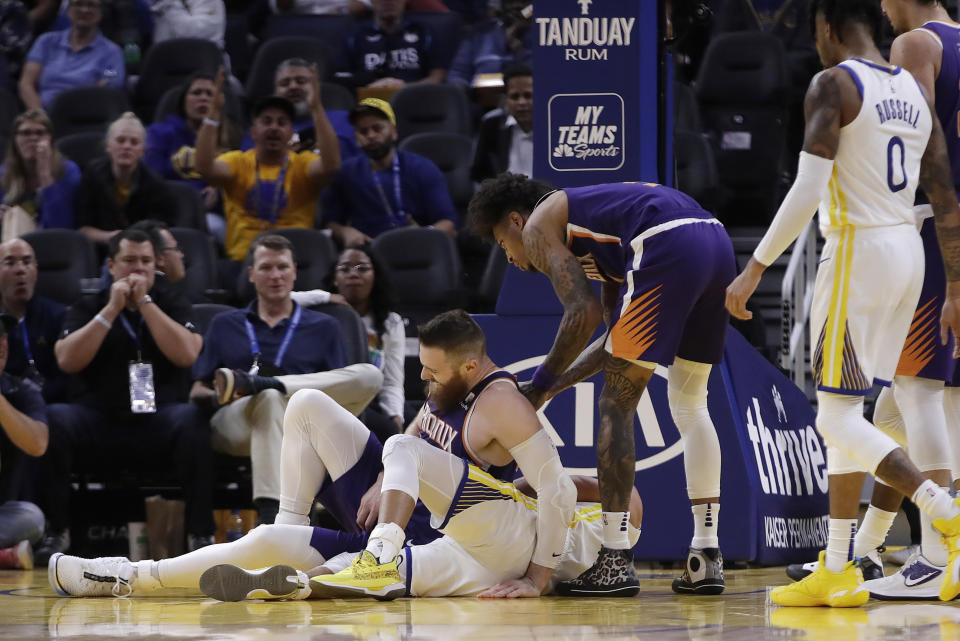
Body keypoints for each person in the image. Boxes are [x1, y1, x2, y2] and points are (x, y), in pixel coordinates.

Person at [45, 311, 638, 601]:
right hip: (410, 513)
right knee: (304, 405)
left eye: (432, 372)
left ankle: (324, 573)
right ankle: (124, 577)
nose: (424, 381)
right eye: (423, 371)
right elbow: (414, 437)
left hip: (465, 537)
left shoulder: (504, 402)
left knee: (401, 457)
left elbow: (578, 490)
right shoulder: (445, 392)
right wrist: (385, 478)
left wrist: (538, 576)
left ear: (468, 367)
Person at [725, 0, 960, 607]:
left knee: (834, 417)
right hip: (910, 250)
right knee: (853, 412)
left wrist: (754, 267)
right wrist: (953, 281)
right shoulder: (910, 87)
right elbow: (941, 185)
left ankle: (943, 513)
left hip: (857, 250)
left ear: (827, 28)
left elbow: (807, 188)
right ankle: (837, 564)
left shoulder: (834, 81)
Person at [468, 175, 736, 597]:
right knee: (689, 403)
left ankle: (614, 557)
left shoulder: (539, 226)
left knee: (616, 405)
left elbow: (582, 313)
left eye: (503, 244)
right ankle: (706, 555)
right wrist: (552, 388)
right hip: (715, 241)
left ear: (517, 221)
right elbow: (612, 343)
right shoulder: (604, 245)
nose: (511, 259)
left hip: (665, 241)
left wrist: (538, 387)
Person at [34, 228, 215, 563]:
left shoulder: (172, 300)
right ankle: (56, 530)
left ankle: (200, 533)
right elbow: (66, 359)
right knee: (56, 418)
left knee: (193, 419)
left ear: (156, 264)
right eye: (129, 260)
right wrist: (112, 309)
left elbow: (188, 354)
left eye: (146, 261)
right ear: (112, 265)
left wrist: (145, 303)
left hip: (159, 420)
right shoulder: (89, 303)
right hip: (99, 419)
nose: (138, 268)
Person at [190, 234, 383, 525]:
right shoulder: (224, 324)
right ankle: (272, 517)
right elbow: (196, 392)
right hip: (239, 424)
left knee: (371, 374)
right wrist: (221, 394)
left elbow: (340, 388)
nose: (276, 275)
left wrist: (278, 389)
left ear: (294, 272)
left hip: (305, 424)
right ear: (252, 275)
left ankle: (269, 385)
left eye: (282, 267)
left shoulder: (325, 326)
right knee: (268, 401)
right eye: (266, 268)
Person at [196, 67, 341, 262]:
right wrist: (213, 113)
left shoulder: (302, 163)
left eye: (282, 123)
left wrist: (316, 108)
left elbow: (331, 165)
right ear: (253, 131)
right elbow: (204, 167)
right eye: (266, 121)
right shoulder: (237, 161)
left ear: (291, 133)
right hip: (243, 261)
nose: (274, 127)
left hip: (294, 262)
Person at [290, 245, 405, 443]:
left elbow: (392, 381)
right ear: (334, 278)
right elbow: (280, 298)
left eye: (362, 268)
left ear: (375, 276)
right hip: (326, 396)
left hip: (369, 400)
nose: (353, 274)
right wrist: (324, 297)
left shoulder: (391, 322)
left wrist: (395, 415)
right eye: (345, 269)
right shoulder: (320, 312)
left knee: (405, 426)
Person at [321, 98, 458, 247]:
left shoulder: (422, 168)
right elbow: (329, 223)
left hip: (418, 248)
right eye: (363, 131)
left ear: (393, 132)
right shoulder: (346, 173)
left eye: (377, 128)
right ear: (356, 138)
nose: (371, 135)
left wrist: (424, 235)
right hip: (368, 252)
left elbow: (449, 225)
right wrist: (344, 231)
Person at [76, 113, 178, 246]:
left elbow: (159, 233)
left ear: (142, 150)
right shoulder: (92, 176)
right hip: (100, 250)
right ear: (108, 146)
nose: (126, 146)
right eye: (120, 140)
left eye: (134, 142)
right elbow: (83, 228)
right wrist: (111, 237)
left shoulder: (155, 185)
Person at [144, 73, 240, 213]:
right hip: (170, 207)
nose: (203, 98)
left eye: (210, 94)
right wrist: (194, 196)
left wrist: (219, 191)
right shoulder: (160, 133)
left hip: (218, 212)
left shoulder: (234, 135)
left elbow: (244, 175)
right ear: (184, 101)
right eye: (196, 93)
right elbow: (153, 178)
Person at [240, 58, 361, 162]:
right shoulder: (261, 131)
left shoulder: (347, 120)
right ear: (275, 93)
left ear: (316, 87)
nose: (293, 87)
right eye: (284, 83)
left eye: (301, 81)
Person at [0, 312, 47, 571]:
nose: (1, 343)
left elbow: (38, 444)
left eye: (3, 335)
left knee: (31, 518)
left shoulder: (20, 391)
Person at [18, 0, 124, 111]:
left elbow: (109, 83)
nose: (84, 10)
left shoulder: (112, 52)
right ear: (68, 10)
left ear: (101, 13)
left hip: (85, 116)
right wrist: (39, 114)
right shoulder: (46, 42)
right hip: (44, 115)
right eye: (78, 4)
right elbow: (26, 83)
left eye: (91, 5)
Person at [0, 238, 68, 403]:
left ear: (36, 271)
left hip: (51, 404)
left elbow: (67, 378)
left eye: (26, 262)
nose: (20, 270)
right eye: (10, 263)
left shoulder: (60, 315)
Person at [0, 110, 81, 233]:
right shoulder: (3, 174)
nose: (33, 138)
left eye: (40, 132)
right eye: (25, 133)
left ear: (50, 138)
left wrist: (45, 174)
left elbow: (61, 227)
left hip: (53, 243)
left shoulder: (68, 171)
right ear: (15, 140)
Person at [334, 0, 446, 89]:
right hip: (369, 102)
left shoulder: (424, 32)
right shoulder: (355, 36)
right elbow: (340, 76)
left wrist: (406, 88)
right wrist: (370, 84)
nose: (388, 2)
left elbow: (438, 76)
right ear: (371, 1)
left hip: (414, 100)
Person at [447, 0, 533, 88]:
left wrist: (519, 51)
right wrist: (466, 94)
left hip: (524, 97)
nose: (516, 6)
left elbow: (540, 75)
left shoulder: (542, 34)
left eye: (523, 2)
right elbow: (458, 73)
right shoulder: (480, 32)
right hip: (480, 97)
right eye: (510, 2)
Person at [470, 64, 533, 182]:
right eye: (515, 97)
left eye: (528, 95)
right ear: (505, 99)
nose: (522, 102)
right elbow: (478, 173)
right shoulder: (491, 124)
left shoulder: (552, 124)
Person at [149, 0, 226, 49]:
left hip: (204, 65)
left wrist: (170, 6)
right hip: (166, 62)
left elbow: (194, 33)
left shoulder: (212, 1)